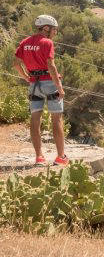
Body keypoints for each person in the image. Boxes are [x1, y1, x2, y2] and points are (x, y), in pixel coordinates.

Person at [13, 15, 68, 166]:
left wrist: (25, 77)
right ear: (46, 28)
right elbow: (51, 67)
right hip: (50, 83)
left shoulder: (25, 42)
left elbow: (16, 64)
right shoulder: (47, 42)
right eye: (54, 30)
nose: (55, 33)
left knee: (35, 119)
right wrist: (60, 88)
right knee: (56, 119)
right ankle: (60, 157)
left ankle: (39, 157)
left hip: (34, 85)